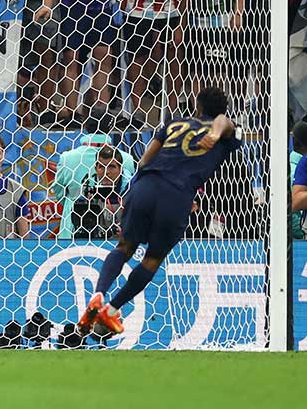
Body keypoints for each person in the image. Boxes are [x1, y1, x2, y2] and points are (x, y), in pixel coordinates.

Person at [79, 87, 241, 335]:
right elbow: (225, 123)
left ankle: (98, 293)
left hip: (146, 186)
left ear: (197, 106)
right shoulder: (224, 131)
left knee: (124, 247)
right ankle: (111, 311)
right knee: (152, 259)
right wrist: (217, 133)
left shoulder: (175, 124)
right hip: (176, 196)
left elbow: (145, 159)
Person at [53, 113, 136, 240]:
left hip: (72, 227)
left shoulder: (67, 158)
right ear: (110, 128)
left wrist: (74, 201)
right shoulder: (126, 159)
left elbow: (59, 192)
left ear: (85, 127)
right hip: (116, 228)